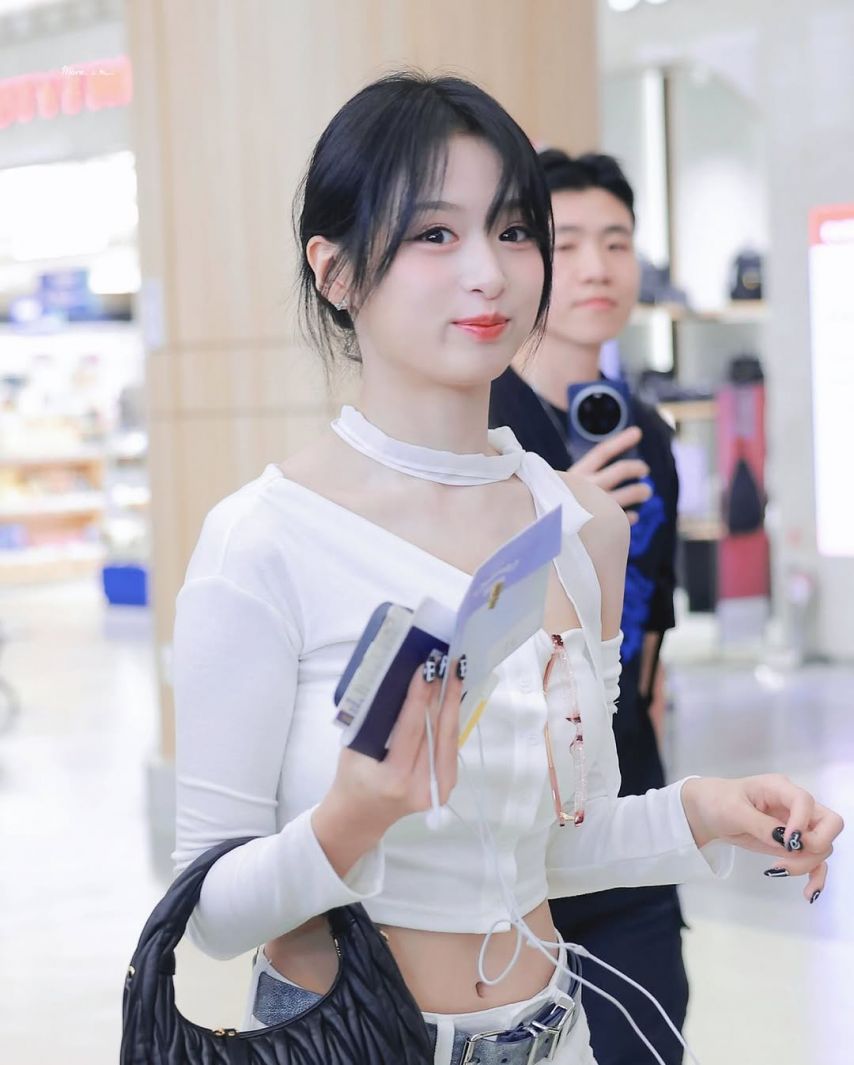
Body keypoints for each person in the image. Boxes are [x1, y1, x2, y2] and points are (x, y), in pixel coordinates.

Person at [172, 73, 842, 1065]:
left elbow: (554, 846)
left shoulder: (580, 524)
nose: (487, 272)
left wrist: (702, 810)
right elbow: (210, 914)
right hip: (343, 1043)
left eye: (513, 230)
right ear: (336, 271)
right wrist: (353, 816)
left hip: (549, 1036)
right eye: (434, 234)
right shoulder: (264, 540)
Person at [489, 150, 686, 1064]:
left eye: (617, 240)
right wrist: (566, 509)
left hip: (628, 802)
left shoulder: (649, 435)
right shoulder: (483, 425)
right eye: (566, 243)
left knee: (649, 1035)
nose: (599, 267)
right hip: (512, 828)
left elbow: (650, 637)